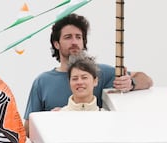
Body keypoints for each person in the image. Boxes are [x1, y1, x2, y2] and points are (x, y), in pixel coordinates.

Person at [24, 13, 153, 130]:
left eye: (78, 37)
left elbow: (146, 80)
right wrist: (49, 120)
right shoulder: (42, 82)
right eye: (68, 37)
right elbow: (28, 130)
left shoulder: (100, 72)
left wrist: (131, 83)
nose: (74, 42)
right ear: (56, 44)